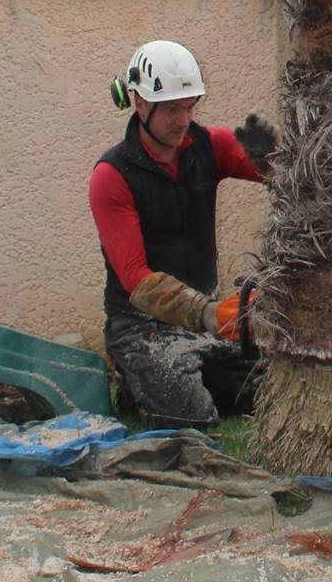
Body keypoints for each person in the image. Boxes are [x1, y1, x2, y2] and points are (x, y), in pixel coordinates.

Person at [89, 39, 277, 428]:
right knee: (192, 415)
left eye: (189, 107)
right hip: (139, 326)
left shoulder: (210, 146)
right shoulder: (111, 176)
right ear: (140, 104)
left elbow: (287, 179)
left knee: (268, 391)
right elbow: (135, 279)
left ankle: (167, 381)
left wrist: (274, 156)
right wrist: (207, 313)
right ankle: (139, 380)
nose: (183, 120)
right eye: (172, 109)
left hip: (201, 323)